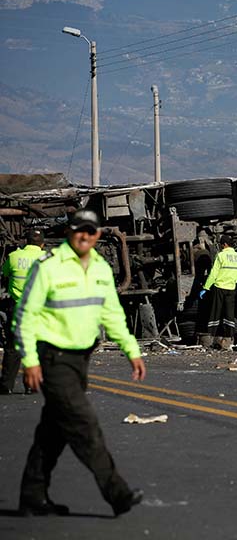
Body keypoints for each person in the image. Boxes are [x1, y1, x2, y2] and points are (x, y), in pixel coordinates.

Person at [15, 209, 145, 517]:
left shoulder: (100, 267)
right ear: (68, 232)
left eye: (90, 230)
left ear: (98, 234)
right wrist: (29, 360)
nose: (84, 236)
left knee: (54, 430)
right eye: (78, 230)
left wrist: (132, 350)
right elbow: (25, 315)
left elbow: (111, 313)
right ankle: (118, 493)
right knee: (84, 425)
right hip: (52, 358)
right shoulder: (48, 267)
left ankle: (32, 495)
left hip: (80, 359)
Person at [1, 229, 46, 394]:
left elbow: (5, 274)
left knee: (12, 348)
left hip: (17, 308)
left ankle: (6, 386)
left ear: (26, 242)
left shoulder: (14, 257)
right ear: (42, 244)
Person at [199, 234, 237, 350]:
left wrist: (206, 287)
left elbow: (214, 274)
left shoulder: (221, 256)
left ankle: (212, 339)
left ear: (224, 244)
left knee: (216, 313)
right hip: (231, 288)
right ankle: (228, 340)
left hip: (219, 287)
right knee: (229, 315)